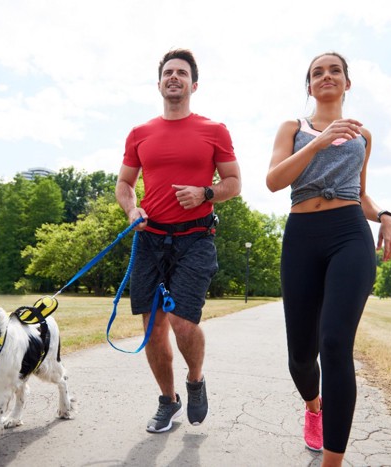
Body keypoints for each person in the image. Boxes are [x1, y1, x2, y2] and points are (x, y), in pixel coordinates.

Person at [266, 52, 391, 466]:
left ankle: (333, 460)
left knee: (336, 344)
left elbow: (358, 195)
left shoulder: (363, 136)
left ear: (347, 82)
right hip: (302, 237)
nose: (326, 76)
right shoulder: (294, 127)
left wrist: (385, 216)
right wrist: (322, 140)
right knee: (302, 358)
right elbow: (274, 181)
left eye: (334, 71)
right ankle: (313, 405)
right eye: (317, 73)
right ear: (309, 86)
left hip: (349, 235)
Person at [115, 48, 241, 433]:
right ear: (159, 84)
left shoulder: (214, 130)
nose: (174, 77)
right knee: (152, 327)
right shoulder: (140, 133)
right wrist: (131, 210)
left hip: (195, 238)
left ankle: (195, 380)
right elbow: (124, 184)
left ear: (193, 84)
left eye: (181, 73)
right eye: (168, 72)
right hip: (150, 239)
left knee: (182, 320)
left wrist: (205, 193)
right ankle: (168, 402)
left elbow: (233, 184)